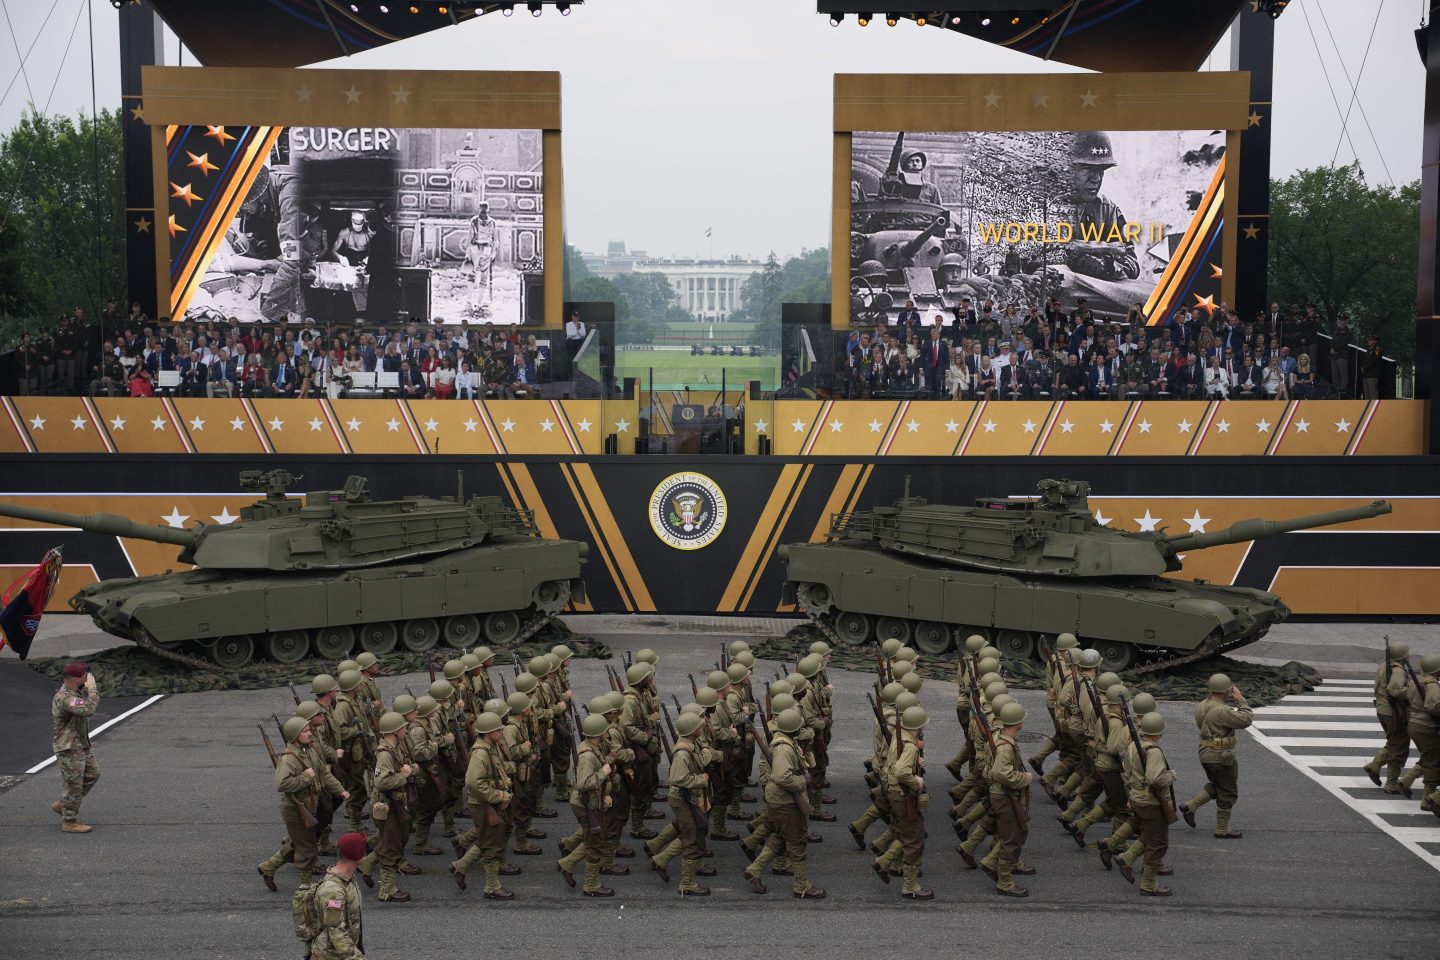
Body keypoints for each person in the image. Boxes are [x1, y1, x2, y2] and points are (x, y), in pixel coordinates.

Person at [743, 707, 825, 898]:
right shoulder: (784, 748)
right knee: (797, 842)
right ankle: (802, 886)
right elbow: (781, 776)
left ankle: (754, 869)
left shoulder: (786, 743)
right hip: (785, 802)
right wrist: (802, 782)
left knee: (780, 838)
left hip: (781, 800)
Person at [449, 711, 515, 899]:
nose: (501, 732)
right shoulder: (480, 753)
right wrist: (496, 796)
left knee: (489, 839)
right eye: (498, 730)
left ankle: (460, 867)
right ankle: (492, 887)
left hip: (489, 802)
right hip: (484, 804)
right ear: (488, 732)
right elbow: (473, 783)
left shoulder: (489, 747)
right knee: (491, 845)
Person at [1179, 674, 1253, 838]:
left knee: (1218, 785)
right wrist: (1240, 699)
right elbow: (1246, 719)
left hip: (1206, 753)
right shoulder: (1221, 710)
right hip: (1220, 756)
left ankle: (1191, 806)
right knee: (1228, 792)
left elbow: (1202, 726)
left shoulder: (1202, 705)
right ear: (1226, 691)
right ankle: (1222, 829)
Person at [1063, 132, 1140, 281]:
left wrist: (1108, 265)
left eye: (1101, 171)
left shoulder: (1108, 209)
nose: (1096, 179)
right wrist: (1076, 262)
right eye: (1087, 169)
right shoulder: (1044, 207)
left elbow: (1132, 263)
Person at [556, 713, 616, 897]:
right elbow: (585, 782)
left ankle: (567, 863)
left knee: (594, 837)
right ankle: (591, 885)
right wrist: (604, 772)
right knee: (594, 843)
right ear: (600, 733)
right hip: (585, 804)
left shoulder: (592, 747)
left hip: (589, 801)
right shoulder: (588, 755)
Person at [1119, 711, 1177, 896]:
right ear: (1160, 731)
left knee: (1150, 834)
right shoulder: (1153, 752)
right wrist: (1171, 775)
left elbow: (1127, 774)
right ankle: (1148, 883)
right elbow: (1154, 778)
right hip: (1151, 801)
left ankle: (1127, 858)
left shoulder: (1132, 747)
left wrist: (1131, 795)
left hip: (1137, 797)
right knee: (1158, 843)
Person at [880, 705, 931, 900]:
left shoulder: (900, 738)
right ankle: (910, 886)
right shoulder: (909, 745)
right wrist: (916, 782)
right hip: (904, 795)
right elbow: (901, 771)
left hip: (895, 793)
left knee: (907, 834)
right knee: (915, 839)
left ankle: (883, 862)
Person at [988, 701, 1034, 898]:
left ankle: (994, 864)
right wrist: (1024, 778)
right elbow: (1001, 772)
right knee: (1010, 839)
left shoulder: (1004, 739)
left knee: (1019, 830)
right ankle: (1004, 882)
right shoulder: (1006, 747)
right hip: (1004, 795)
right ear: (1019, 723)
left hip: (1005, 794)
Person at [666, 710, 713, 896]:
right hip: (682, 798)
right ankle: (687, 883)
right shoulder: (683, 753)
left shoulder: (690, 745)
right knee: (691, 838)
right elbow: (677, 778)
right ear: (692, 730)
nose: (702, 727)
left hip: (689, 797)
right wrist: (700, 780)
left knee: (695, 833)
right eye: (698, 726)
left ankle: (663, 861)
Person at [52, 662, 100, 833]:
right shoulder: (65, 697)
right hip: (69, 747)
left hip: (81, 744)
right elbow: (88, 709)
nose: (87, 677)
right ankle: (70, 821)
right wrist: (92, 689)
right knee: (74, 784)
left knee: (93, 774)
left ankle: (65, 804)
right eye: (84, 675)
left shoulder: (74, 692)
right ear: (75, 678)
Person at [1364, 641, 1414, 793]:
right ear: (1402, 657)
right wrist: (1413, 691)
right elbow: (1396, 691)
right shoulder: (1398, 671)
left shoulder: (1384, 666)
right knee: (1399, 746)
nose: (1410, 656)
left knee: (1394, 741)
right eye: (1407, 654)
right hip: (1393, 712)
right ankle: (1391, 783)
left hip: (1383, 709)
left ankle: (1375, 765)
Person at [308, 831, 366, 960]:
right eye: (363, 849)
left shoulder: (347, 879)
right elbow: (336, 930)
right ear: (355, 855)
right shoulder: (333, 891)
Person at [1405, 654, 1440, 816]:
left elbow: (1406, 697)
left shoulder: (1416, 682)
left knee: (1428, 757)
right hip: (1427, 725)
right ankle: (1428, 799)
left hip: (1414, 723)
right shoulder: (1432, 686)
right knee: (1433, 761)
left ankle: (1405, 781)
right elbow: (1434, 707)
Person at [1329, 314, 1352, 397]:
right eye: (1340, 320)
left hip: (1342, 354)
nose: (1341, 321)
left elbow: (1344, 342)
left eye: (1343, 320)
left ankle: (1343, 389)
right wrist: (1331, 348)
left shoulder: (1347, 330)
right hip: (1334, 355)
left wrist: (1335, 349)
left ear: (1346, 321)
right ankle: (1336, 388)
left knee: (1343, 373)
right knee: (1335, 372)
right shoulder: (1337, 330)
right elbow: (1332, 340)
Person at [1361, 334, 1383, 400]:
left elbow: (1375, 360)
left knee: (1373, 393)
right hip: (1366, 374)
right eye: (1368, 340)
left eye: (1370, 340)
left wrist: (1365, 368)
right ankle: (1368, 407)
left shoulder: (1377, 349)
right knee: (1366, 393)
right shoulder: (1369, 350)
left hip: (1373, 374)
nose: (1368, 341)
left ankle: (1373, 408)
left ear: (1375, 341)